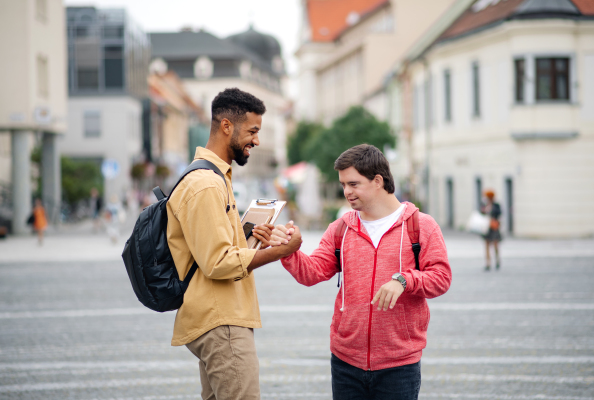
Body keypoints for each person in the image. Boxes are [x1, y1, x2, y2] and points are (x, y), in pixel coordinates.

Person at [271, 144, 452, 400]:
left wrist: (404, 280)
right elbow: (311, 273)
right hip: (346, 362)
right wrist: (288, 250)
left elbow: (441, 278)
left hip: (399, 364)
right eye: (343, 184)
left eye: (353, 184)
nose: (347, 192)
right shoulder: (341, 228)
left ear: (378, 180)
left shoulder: (420, 225)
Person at [166, 88, 302, 400]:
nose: (256, 140)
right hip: (221, 320)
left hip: (217, 318)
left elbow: (219, 249)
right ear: (227, 126)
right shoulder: (206, 184)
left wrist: (254, 240)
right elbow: (217, 262)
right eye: (253, 131)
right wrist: (279, 252)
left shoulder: (215, 177)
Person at [482, 189, 502, 271]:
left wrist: (491, 209)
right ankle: (488, 263)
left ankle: (497, 260)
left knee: (495, 245)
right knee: (487, 245)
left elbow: (499, 213)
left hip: (494, 227)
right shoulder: (485, 204)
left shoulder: (496, 205)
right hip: (487, 228)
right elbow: (481, 213)